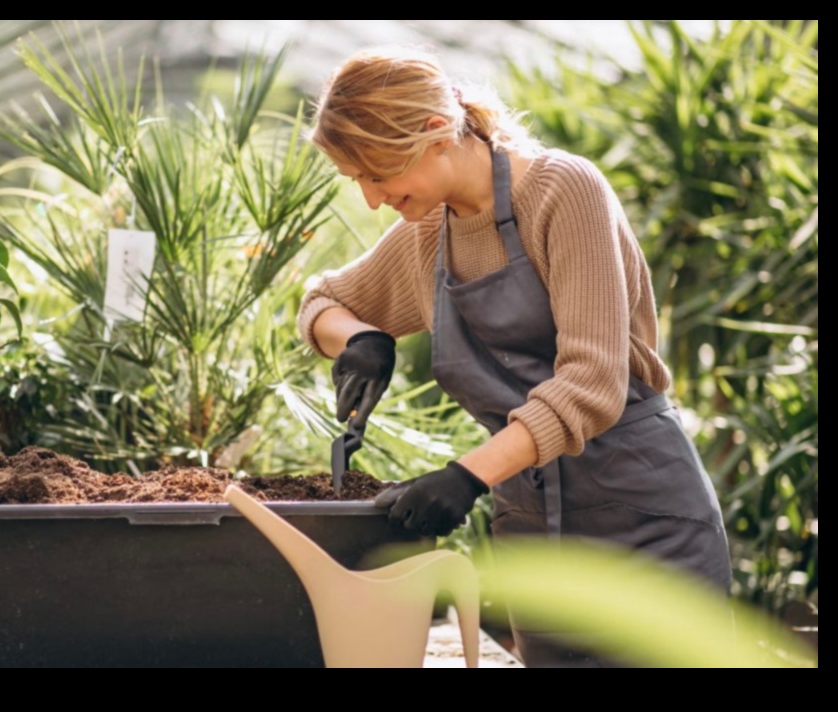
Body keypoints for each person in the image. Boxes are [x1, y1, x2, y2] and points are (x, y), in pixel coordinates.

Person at [298, 47, 732, 667]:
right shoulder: (428, 235)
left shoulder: (565, 192)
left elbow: (592, 384)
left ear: (434, 132)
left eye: (378, 173)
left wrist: (467, 474)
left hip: (644, 520)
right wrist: (359, 339)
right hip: (535, 538)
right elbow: (322, 300)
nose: (371, 199)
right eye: (357, 181)